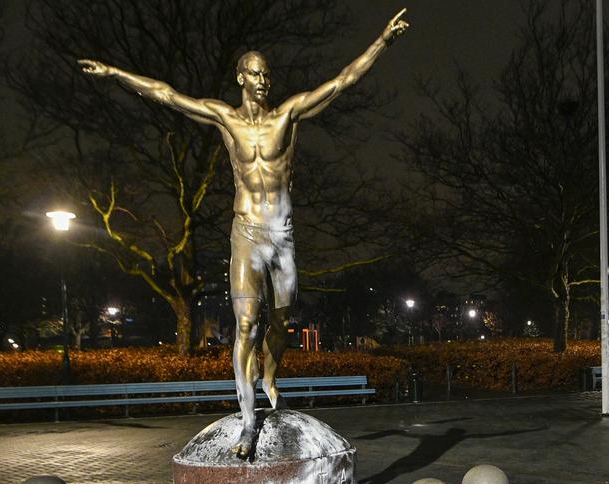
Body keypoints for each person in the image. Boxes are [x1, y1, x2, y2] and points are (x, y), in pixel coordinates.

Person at [79, 9, 409, 458]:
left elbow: (341, 82)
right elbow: (167, 95)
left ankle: (270, 376)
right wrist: (115, 73)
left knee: (282, 323)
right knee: (247, 324)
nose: (263, 81)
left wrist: (383, 41)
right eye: (255, 73)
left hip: (282, 236)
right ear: (240, 77)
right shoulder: (225, 119)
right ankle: (249, 421)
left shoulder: (288, 115)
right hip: (246, 232)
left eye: (267, 74)